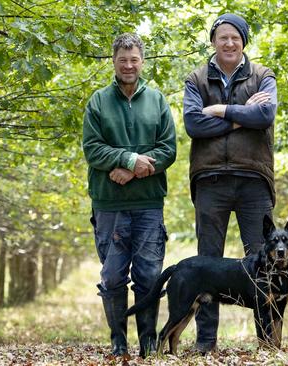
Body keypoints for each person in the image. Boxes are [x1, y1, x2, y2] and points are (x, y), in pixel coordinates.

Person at [182, 13, 277, 353]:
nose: (229, 43)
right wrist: (239, 118)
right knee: (207, 262)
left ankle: (268, 342)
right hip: (210, 180)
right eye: (222, 37)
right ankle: (206, 342)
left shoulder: (263, 76)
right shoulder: (196, 79)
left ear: (243, 41)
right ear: (213, 41)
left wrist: (220, 109)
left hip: (255, 179)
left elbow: (264, 116)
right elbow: (194, 125)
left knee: (265, 261)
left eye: (235, 37)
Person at [82, 33, 177, 358]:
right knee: (112, 276)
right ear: (114, 61)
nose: (128, 65)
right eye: (122, 59)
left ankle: (148, 343)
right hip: (109, 205)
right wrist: (127, 158)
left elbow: (168, 149)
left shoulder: (157, 100)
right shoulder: (97, 102)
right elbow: (92, 148)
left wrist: (135, 169)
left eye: (134, 59)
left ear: (142, 61)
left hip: (148, 204)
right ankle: (118, 340)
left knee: (149, 275)